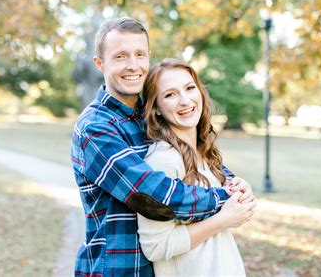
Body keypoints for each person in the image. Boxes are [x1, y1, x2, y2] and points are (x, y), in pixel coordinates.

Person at [70, 17, 246, 276]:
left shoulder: (152, 110)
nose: (133, 65)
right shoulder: (95, 128)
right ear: (100, 63)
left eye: (139, 54)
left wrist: (231, 181)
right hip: (118, 269)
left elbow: (190, 150)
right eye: (120, 56)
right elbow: (151, 194)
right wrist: (224, 199)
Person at [137, 58, 256, 276]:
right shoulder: (163, 159)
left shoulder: (203, 152)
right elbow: (155, 246)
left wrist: (239, 191)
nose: (185, 100)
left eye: (190, 88)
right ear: (157, 109)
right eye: (170, 94)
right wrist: (223, 220)